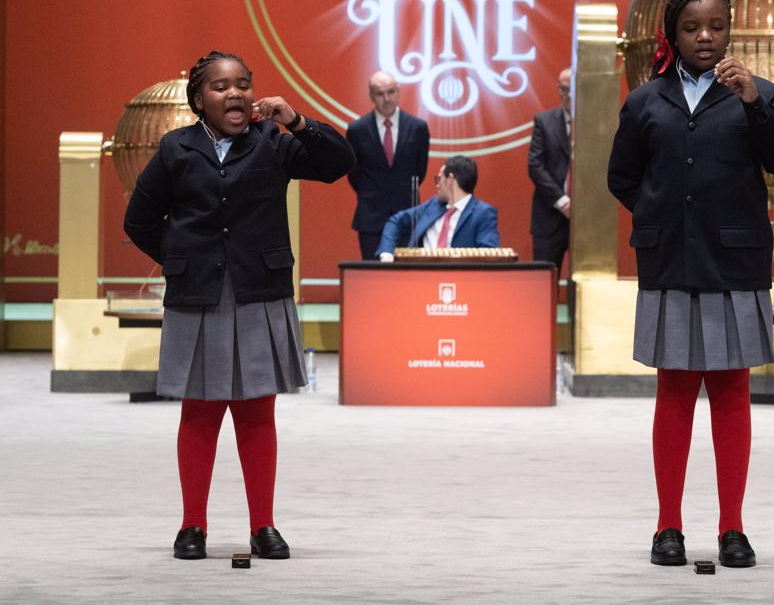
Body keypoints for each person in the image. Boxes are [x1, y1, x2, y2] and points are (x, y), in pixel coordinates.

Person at [124, 50, 355, 561]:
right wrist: (179, 258)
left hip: (259, 291)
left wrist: (295, 120)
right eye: (222, 86)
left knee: (257, 415)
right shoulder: (175, 148)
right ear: (199, 99)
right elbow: (139, 221)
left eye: (244, 84)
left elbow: (340, 163)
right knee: (199, 414)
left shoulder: (273, 141)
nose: (236, 94)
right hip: (198, 297)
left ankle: (264, 526)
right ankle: (192, 527)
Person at [607, 0, 774, 569]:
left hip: (735, 265)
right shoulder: (645, 101)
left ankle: (732, 529)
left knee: (731, 393)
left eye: (716, 26)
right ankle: (668, 527)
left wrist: (753, 103)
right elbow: (623, 178)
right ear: (674, 34)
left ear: (730, 30)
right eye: (693, 27)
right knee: (673, 392)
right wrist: (660, 214)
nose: (705, 37)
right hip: (670, 262)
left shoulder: (757, 95)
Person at [346, 71, 431, 259]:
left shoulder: (418, 128)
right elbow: (354, 174)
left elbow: (420, 171)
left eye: (391, 92)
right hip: (371, 217)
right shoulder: (357, 130)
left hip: (408, 214)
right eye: (380, 93)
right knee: (373, 280)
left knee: (408, 280)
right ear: (371, 95)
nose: (387, 98)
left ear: (398, 92)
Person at [376, 155, 499, 260]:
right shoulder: (432, 205)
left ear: (450, 180)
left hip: (460, 280)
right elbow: (395, 222)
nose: (437, 185)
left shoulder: (483, 213)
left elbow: (489, 254)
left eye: (439, 179)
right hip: (420, 277)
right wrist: (387, 254)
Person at [528, 67, 573, 274]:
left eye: (571, 90)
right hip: (549, 215)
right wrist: (563, 202)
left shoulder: (595, 125)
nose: (567, 96)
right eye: (563, 90)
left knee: (586, 286)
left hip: (586, 220)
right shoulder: (544, 122)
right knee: (544, 284)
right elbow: (535, 166)